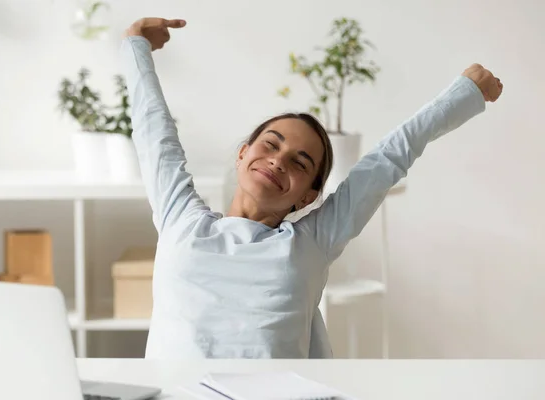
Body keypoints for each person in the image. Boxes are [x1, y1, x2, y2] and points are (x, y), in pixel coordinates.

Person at [119, 17, 503, 359]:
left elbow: (385, 162)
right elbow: (155, 134)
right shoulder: (181, 220)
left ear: (307, 196)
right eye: (270, 143)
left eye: (300, 162)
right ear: (242, 154)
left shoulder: (310, 243)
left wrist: (463, 94)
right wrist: (136, 45)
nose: (279, 159)